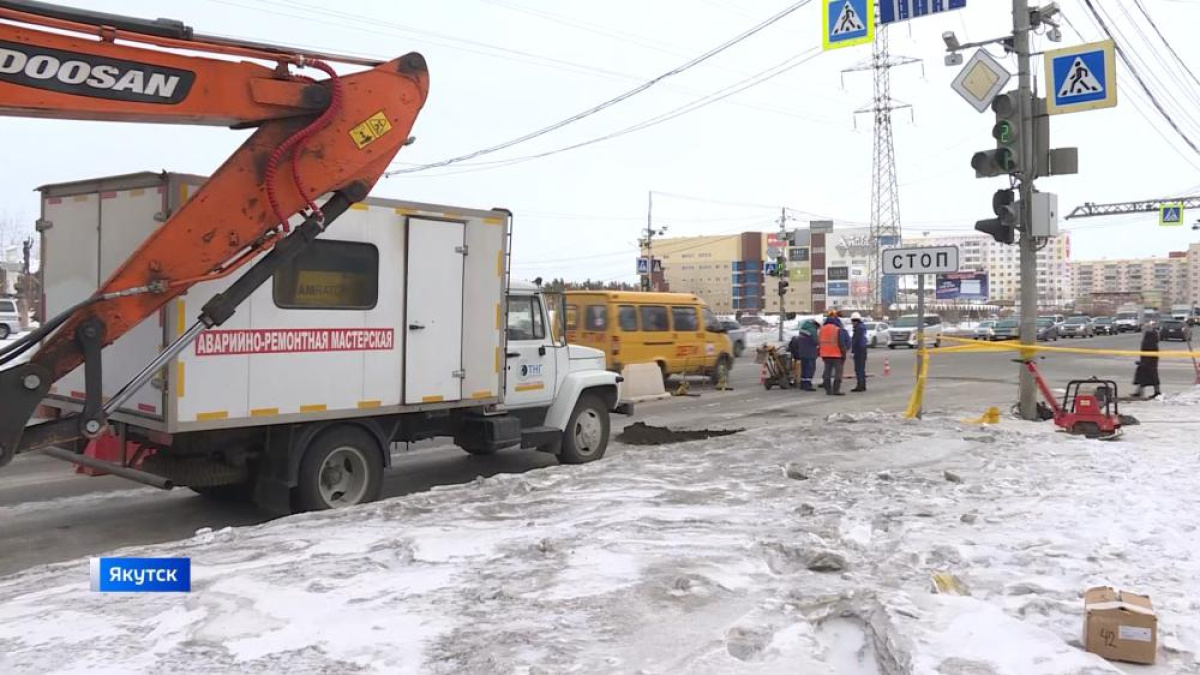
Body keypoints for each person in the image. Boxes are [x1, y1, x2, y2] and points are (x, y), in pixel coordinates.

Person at [818, 310, 851, 396]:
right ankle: (836, 390)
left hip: (825, 354)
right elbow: (842, 343)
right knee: (838, 373)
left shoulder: (822, 329)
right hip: (836, 354)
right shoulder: (837, 329)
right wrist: (843, 354)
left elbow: (819, 342)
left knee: (827, 372)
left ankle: (828, 390)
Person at [1133, 326, 1161, 399]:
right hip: (1150, 361)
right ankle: (1139, 391)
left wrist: (1143, 362)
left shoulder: (1148, 341)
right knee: (1145, 376)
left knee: (1148, 376)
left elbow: (1147, 352)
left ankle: (1156, 392)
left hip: (1148, 362)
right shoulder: (1152, 340)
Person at [794, 318, 820, 391]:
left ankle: (803, 383)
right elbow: (816, 341)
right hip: (810, 352)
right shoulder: (812, 330)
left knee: (804, 368)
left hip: (802, 352)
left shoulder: (803, 328)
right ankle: (807, 384)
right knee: (810, 368)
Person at [850, 312, 869, 392]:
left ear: (854, 321)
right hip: (863, 349)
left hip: (859, 350)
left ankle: (860, 385)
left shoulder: (858, 329)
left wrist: (852, 350)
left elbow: (855, 340)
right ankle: (863, 385)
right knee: (862, 368)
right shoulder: (862, 327)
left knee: (858, 368)